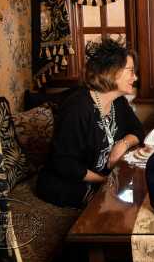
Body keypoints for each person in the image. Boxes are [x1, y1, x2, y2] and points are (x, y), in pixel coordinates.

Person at [37, 38, 145, 208]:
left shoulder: (118, 101)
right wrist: (104, 180)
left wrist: (122, 144)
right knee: (118, 209)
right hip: (69, 184)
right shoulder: (78, 107)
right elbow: (65, 164)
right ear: (112, 71)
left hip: (102, 177)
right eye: (131, 71)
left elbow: (138, 130)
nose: (135, 77)